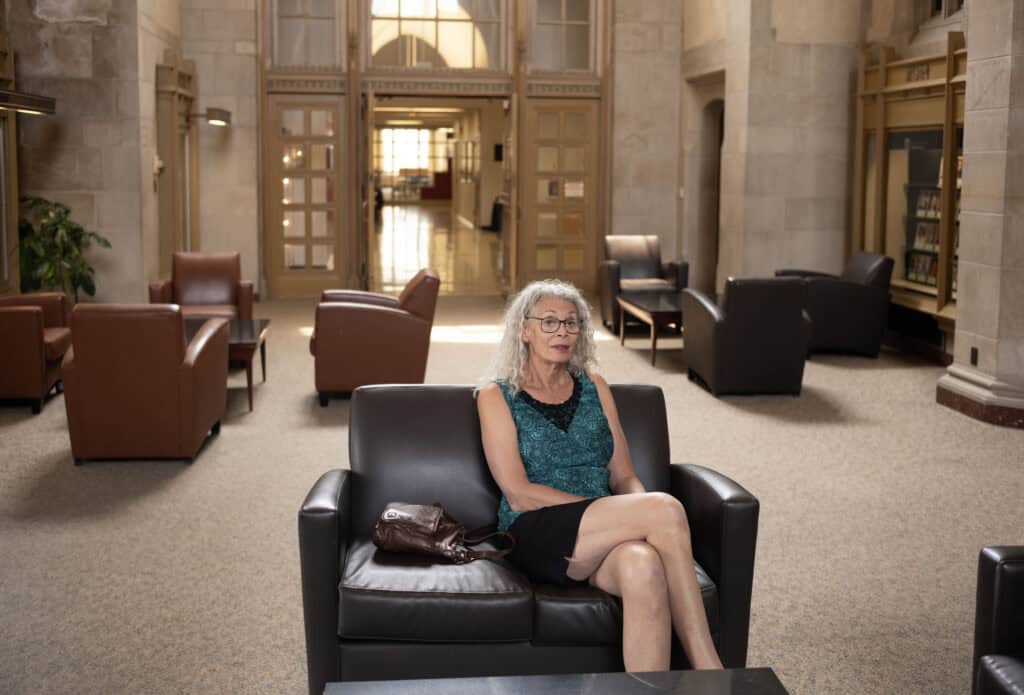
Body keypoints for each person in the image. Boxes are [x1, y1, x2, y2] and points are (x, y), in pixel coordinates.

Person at [476, 279, 722, 672]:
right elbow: (519, 492)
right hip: (536, 528)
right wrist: (624, 513)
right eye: (549, 322)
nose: (562, 332)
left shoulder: (594, 386)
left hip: (602, 530)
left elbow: (624, 475)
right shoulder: (497, 395)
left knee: (643, 566)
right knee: (664, 508)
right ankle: (710, 671)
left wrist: (632, 512)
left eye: (571, 323)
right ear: (524, 330)